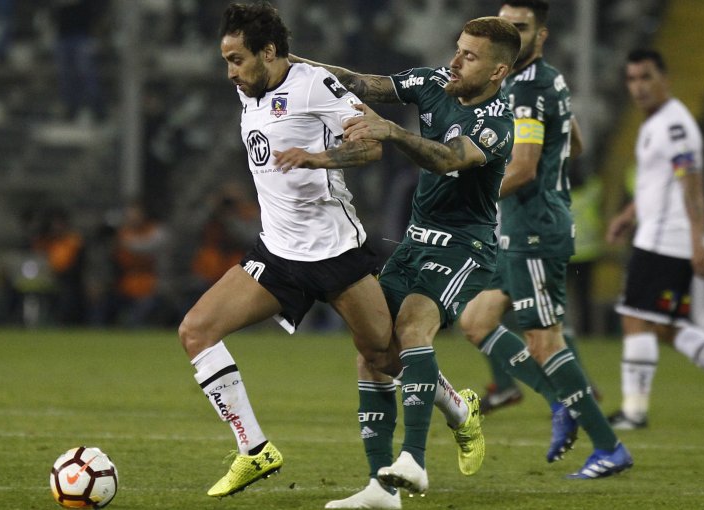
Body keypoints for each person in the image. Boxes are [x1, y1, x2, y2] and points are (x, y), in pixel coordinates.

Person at [179, 3, 404, 499]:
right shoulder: (253, 84)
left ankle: (457, 405)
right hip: (278, 252)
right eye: (226, 60)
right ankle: (254, 449)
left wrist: (317, 156)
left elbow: (372, 147)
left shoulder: (312, 85)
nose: (230, 71)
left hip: (334, 250)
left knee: (385, 358)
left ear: (269, 52)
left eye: (237, 59)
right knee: (196, 331)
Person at [293, 15, 520, 505]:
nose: (455, 61)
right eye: (457, 49)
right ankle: (383, 486)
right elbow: (357, 82)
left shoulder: (498, 122)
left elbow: (448, 159)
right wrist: (289, 62)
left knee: (412, 329)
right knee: (375, 352)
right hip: (415, 241)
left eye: (470, 56)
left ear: (498, 72)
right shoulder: (436, 81)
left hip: (465, 246)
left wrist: (393, 132)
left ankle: (413, 460)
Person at [451, 1, 633, 481]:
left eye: (521, 27)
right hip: (521, 227)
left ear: (541, 34)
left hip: (532, 230)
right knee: (475, 320)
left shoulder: (528, 87)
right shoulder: (543, 79)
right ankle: (561, 398)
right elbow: (575, 143)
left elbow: (526, 166)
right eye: (505, 25)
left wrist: (471, 191)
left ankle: (608, 445)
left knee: (543, 341)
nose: (511, 33)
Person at [606, 48, 704, 431]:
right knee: (666, 325)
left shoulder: (675, 126)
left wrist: (697, 242)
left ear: (665, 80)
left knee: (633, 318)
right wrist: (627, 216)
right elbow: (656, 186)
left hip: (663, 239)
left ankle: (635, 411)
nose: (638, 87)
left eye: (646, 77)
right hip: (658, 232)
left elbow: (692, 186)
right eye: (632, 79)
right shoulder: (656, 124)